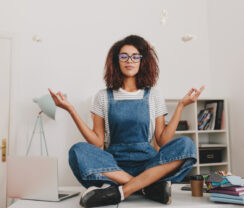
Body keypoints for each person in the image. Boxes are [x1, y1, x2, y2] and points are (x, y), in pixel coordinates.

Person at [48, 35, 205, 208]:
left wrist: (181, 106)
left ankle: (121, 191)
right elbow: (97, 142)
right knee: (77, 151)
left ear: (142, 61)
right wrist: (71, 110)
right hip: (114, 167)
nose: (129, 60)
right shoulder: (102, 96)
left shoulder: (154, 95)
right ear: (116, 61)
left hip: (148, 165)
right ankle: (145, 187)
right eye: (124, 56)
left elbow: (163, 140)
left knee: (187, 145)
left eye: (135, 56)